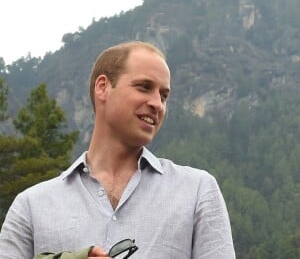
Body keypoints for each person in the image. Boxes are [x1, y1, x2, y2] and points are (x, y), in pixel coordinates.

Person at [0, 41, 236, 258]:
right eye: (144, 87)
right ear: (102, 87)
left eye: (164, 96)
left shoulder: (197, 192)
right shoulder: (31, 207)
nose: (157, 104)